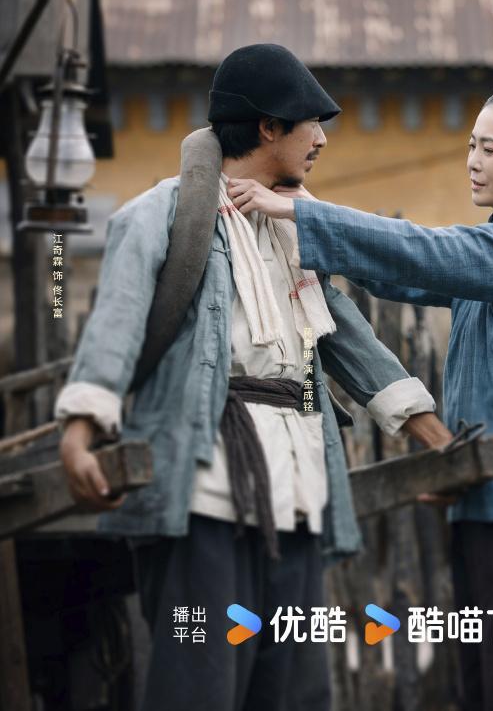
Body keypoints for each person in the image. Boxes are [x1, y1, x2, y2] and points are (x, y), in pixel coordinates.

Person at [55, 43, 452, 711]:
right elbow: (116, 322)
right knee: (200, 687)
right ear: (269, 127)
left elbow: (345, 335)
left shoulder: (294, 225)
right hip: (206, 487)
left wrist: (431, 434)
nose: (321, 139)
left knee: (296, 690)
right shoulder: (161, 212)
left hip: (297, 487)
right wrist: (80, 429)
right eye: (311, 123)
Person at [227, 87, 493, 711]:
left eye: (490, 149)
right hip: (487, 509)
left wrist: (296, 210)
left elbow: (424, 251)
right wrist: (304, 213)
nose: (473, 161)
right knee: (491, 692)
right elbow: (394, 272)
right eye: (471, 146)